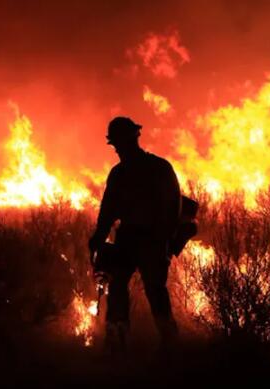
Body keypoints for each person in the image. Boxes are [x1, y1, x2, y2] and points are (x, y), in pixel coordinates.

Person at [88, 116, 181, 353]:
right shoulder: (127, 172)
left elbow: (173, 208)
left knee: (153, 288)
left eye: (120, 142)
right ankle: (119, 339)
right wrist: (99, 236)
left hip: (150, 239)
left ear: (131, 140)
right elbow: (108, 210)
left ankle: (167, 341)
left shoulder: (155, 168)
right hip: (131, 238)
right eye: (116, 144)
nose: (118, 148)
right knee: (119, 286)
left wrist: (164, 239)